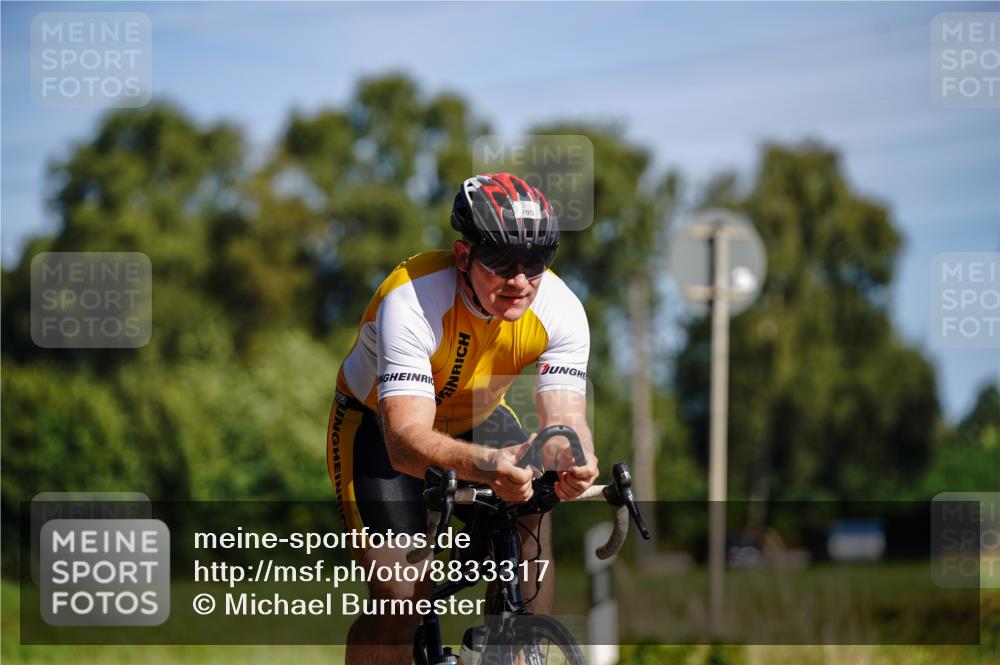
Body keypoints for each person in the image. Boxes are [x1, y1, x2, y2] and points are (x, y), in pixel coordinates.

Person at [326, 173, 599, 665]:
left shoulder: (561, 309)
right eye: (500, 262)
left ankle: (516, 649)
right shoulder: (411, 299)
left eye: (536, 263)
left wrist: (573, 457)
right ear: (463, 256)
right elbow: (406, 439)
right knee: (401, 593)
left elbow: (565, 418)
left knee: (531, 516)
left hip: (478, 416)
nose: (520, 280)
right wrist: (490, 464)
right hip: (377, 426)